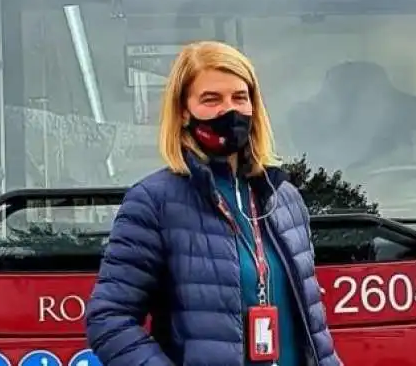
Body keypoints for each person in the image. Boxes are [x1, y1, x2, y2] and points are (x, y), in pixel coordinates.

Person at [85, 40, 343, 366]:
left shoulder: (285, 199)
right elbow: (109, 318)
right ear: (183, 110)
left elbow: (315, 332)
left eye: (240, 97)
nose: (229, 110)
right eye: (211, 99)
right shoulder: (153, 202)